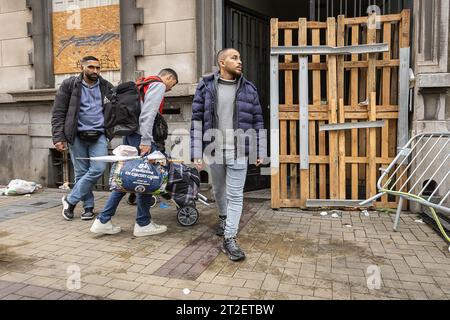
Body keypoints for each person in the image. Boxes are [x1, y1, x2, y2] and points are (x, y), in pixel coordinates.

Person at [190, 48, 265, 261]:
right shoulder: (205, 86)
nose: (240, 61)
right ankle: (223, 218)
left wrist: (261, 149)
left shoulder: (249, 89)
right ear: (222, 62)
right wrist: (196, 151)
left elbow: (258, 120)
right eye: (234, 58)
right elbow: (196, 120)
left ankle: (229, 238)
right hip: (214, 149)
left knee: (235, 195)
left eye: (240, 57)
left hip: (239, 151)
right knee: (218, 189)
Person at [90, 68, 178, 237]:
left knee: (126, 177)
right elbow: (148, 113)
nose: (170, 89)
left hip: (130, 135)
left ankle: (103, 220)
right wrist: (146, 140)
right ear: (168, 77)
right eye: (171, 84)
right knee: (145, 176)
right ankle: (143, 223)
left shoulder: (142, 83)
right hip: (141, 138)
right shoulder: (158, 85)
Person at [52, 56, 113, 221]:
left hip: (99, 134)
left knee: (98, 169)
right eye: (91, 67)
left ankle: (70, 201)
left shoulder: (107, 86)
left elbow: (114, 111)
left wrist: (111, 130)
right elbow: (58, 112)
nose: (95, 71)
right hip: (77, 135)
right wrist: (59, 137)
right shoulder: (69, 85)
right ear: (82, 67)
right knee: (81, 173)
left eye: (98, 68)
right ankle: (88, 207)